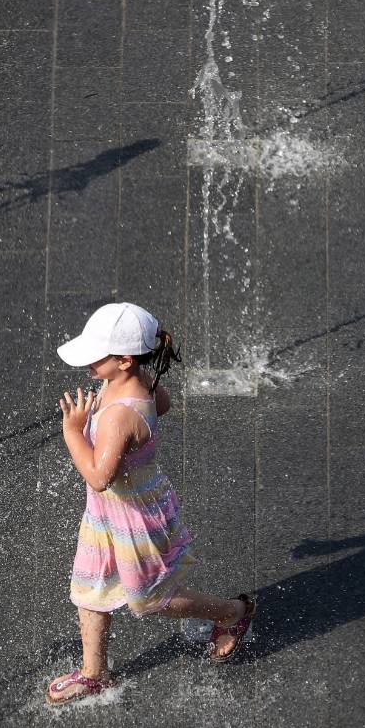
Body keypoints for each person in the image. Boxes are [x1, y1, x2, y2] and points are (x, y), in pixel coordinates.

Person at [46, 302, 256, 705]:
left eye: (97, 354)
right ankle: (94, 673)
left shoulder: (119, 416)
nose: (88, 361)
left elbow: (98, 476)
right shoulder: (136, 382)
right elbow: (163, 404)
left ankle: (231, 611)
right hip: (109, 514)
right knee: (89, 586)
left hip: (133, 518)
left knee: (149, 598)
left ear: (124, 359)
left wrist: (73, 431)